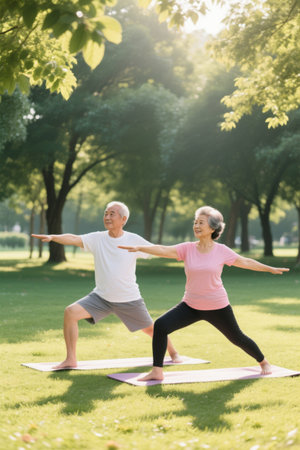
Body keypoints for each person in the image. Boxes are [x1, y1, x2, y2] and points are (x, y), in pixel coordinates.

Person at [119, 205, 290, 381]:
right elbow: (163, 249)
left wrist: (269, 269)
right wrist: (140, 248)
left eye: (201, 222)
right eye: (195, 222)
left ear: (213, 228)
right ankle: (157, 371)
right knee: (161, 325)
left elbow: (245, 261)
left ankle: (263, 361)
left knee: (237, 338)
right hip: (191, 305)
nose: (196, 226)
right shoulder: (187, 248)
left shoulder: (221, 251)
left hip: (217, 306)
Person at [32, 201, 181, 369]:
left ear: (123, 219)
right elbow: (74, 239)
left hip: (128, 299)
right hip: (101, 297)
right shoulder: (97, 238)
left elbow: (157, 250)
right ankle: (70, 359)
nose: (107, 217)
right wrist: (53, 238)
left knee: (151, 329)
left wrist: (181, 253)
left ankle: (173, 352)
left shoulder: (133, 240)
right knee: (70, 312)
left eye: (112, 214)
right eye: (106, 213)